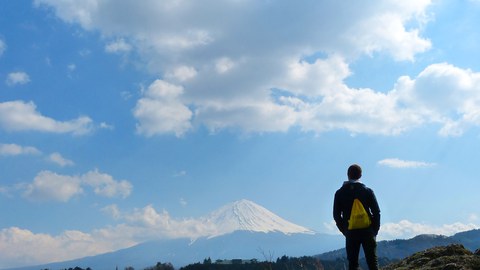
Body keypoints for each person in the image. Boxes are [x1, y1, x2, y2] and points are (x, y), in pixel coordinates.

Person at [333, 164, 380, 270]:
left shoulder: (340, 193)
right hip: (368, 230)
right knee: (372, 261)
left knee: (353, 264)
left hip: (351, 231)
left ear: (348, 175)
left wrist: (345, 230)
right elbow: (376, 212)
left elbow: (336, 215)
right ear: (361, 175)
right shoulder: (367, 191)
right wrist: (374, 230)